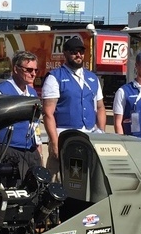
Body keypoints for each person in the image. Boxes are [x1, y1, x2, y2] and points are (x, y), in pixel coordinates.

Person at [42, 36, 106, 171]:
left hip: (89, 137)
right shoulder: (55, 77)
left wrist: (101, 133)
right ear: (65, 53)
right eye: (73, 51)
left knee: (87, 179)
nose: (78, 55)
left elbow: (100, 107)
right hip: (64, 137)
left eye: (81, 52)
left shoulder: (92, 78)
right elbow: (48, 113)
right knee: (57, 178)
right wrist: (54, 142)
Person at [0, 50, 43, 169]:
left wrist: (40, 152)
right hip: (9, 150)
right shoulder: (0, 92)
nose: (33, 74)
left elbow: (35, 126)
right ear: (16, 69)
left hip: (31, 151)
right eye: (28, 70)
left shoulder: (32, 93)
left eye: (35, 70)